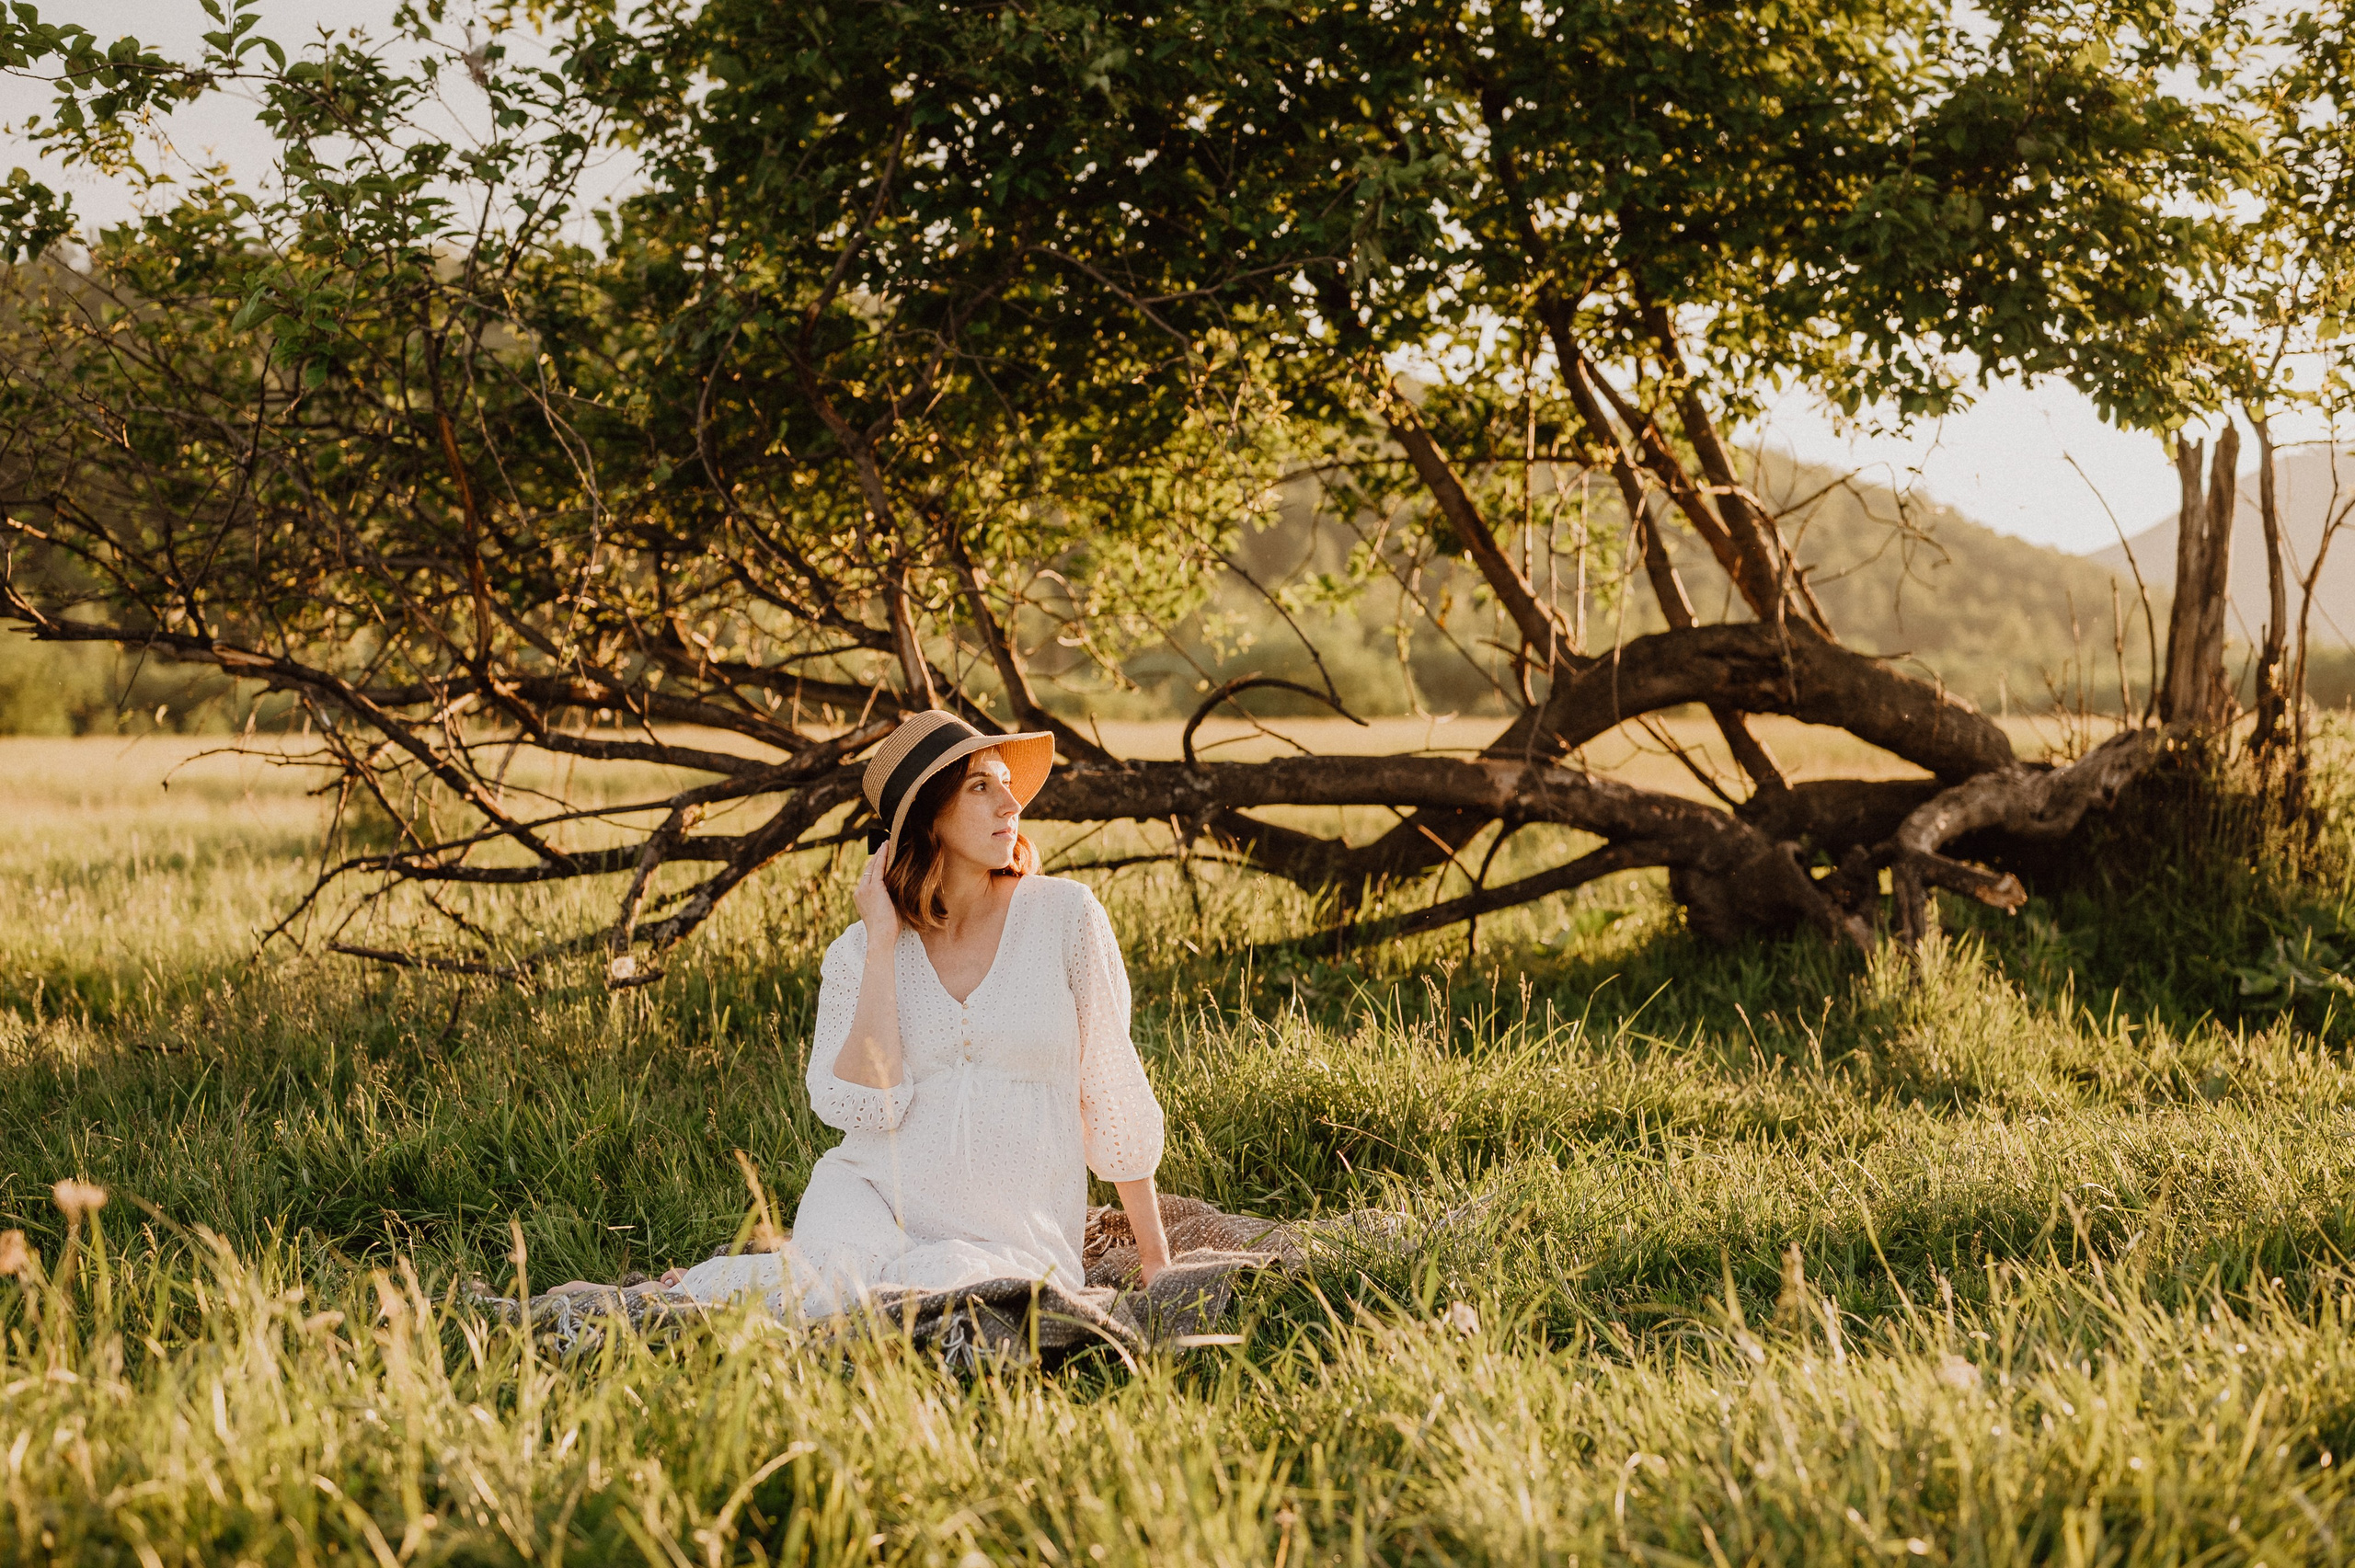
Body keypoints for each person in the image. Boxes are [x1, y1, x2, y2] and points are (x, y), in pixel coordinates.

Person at [663, 709, 1173, 1316]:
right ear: (927, 815)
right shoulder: (858, 953)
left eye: (1006, 782)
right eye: (981, 786)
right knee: (834, 1297)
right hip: (866, 1200)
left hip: (1014, 1238)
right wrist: (881, 942)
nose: (1011, 803)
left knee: (948, 1289)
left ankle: (723, 1282)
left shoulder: (1066, 915)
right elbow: (865, 1105)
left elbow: (1114, 1096)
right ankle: (684, 1290)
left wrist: (1156, 1258)